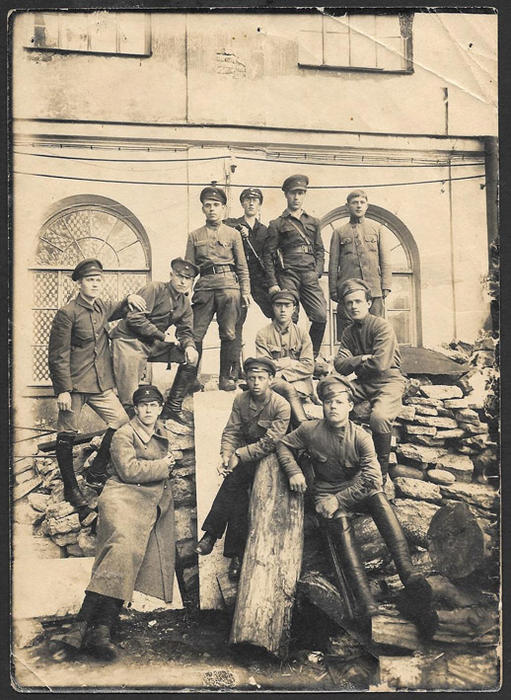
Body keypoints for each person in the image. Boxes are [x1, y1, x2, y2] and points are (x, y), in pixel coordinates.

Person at [276, 375, 438, 639]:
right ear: (322, 405)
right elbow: (283, 445)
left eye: (339, 402)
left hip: (355, 490)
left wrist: (340, 499)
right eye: (328, 402)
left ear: (350, 406)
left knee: (378, 498)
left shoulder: (361, 436)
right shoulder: (310, 430)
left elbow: (373, 479)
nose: (333, 407)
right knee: (339, 520)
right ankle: (366, 603)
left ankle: (409, 575)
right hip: (326, 493)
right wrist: (294, 471)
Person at [51, 385, 177, 662]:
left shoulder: (162, 432)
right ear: (135, 409)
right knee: (121, 550)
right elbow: (129, 471)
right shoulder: (123, 434)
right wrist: (164, 466)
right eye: (143, 406)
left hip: (148, 502)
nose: (148, 410)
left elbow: (166, 463)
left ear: (159, 408)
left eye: (153, 405)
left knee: (125, 556)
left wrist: (169, 464)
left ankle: (93, 629)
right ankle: (91, 627)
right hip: (121, 497)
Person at [48, 258, 147, 511]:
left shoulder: (102, 306)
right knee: (67, 434)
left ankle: (97, 470)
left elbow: (119, 308)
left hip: (100, 384)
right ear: (79, 284)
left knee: (121, 422)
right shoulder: (67, 313)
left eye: (98, 280)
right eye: (90, 280)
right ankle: (71, 488)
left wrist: (130, 298)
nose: (94, 284)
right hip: (74, 386)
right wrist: (62, 390)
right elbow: (57, 355)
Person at [195, 357, 291, 581]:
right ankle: (233, 555)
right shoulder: (241, 399)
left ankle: (212, 535)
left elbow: (270, 442)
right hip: (246, 456)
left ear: (270, 379)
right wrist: (226, 454)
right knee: (238, 496)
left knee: (237, 487)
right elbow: (232, 431)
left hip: (271, 458)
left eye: (261, 378)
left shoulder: (281, 406)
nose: (256, 383)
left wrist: (238, 455)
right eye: (251, 378)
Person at [110, 257, 199, 427]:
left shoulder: (184, 303)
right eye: (179, 276)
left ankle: (173, 406)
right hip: (129, 341)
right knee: (130, 396)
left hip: (152, 344)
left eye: (187, 278)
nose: (182, 281)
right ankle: (132, 429)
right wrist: (162, 336)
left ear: (191, 281)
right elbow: (134, 319)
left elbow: (186, 331)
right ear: (171, 275)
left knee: (192, 357)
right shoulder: (155, 289)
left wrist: (189, 346)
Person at [333, 278, 405, 483]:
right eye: (349, 303)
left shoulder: (382, 326)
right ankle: (341, 462)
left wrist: (355, 363)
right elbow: (339, 365)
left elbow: (380, 364)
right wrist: (362, 358)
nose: (353, 306)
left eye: (358, 301)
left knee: (379, 417)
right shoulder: (348, 332)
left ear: (368, 303)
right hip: (363, 383)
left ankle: (380, 473)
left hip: (388, 381)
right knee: (335, 396)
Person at [185, 186, 251, 391]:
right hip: (204, 287)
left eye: (216, 205)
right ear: (203, 209)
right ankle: (191, 379)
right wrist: (184, 293)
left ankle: (226, 377)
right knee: (195, 333)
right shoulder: (194, 236)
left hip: (229, 287)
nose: (212, 209)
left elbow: (242, 266)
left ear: (223, 208)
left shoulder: (233, 234)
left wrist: (245, 291)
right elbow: (189, 268)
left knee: (229, 333)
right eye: (208, 205)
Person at [263, 174, 327, 357]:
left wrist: (317, 272)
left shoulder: (314, 222)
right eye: (293, 193)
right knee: (290, 317)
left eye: (300, 193)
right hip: (288, 274)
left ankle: (310, 355)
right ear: (286, 195)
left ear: (304, 195)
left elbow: (319, 250)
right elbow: (268, 255)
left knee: (321, 315)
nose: (296, 197)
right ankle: (288, 357)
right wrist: (273, 283)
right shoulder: (277, 224)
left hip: (309, 275)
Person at [328, 190, 392, 340]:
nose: (358, 206)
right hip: (348, 291)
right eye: (354, 203)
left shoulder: (377, 229)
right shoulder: (339, 232)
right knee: (348, 332)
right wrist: (333, 290)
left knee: (376, 330)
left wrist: (386, 285)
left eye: (362, 202)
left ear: (367, 205)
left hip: (373, 290)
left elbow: (385, 260)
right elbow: (333, 264)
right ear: (347, 206)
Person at [224, 187, 273, 380]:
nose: (251, 203)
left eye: (255, 200)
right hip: (240, 279)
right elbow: (223, 224)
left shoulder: (265, 231)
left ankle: (274, 364)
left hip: (260, 280)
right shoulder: (234, 225)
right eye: (247, 200)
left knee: (277, 313)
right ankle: (234, 368)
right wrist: (238, 229)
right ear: (242, 203)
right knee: (236, 322)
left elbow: (269, 255)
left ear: (260, 205)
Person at [255, 289, 313, 427]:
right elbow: (264, 366)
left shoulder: (302, 334)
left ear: (294, 309)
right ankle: (303, 427)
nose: (282, 310)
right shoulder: (263, 334)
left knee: (295, 391)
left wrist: (282, 372)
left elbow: (309, 366)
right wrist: (291, 363)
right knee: (287, 389)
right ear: (272, 307)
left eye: (287, 306)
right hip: (273, 381)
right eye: (278, 305)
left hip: (299, 380)